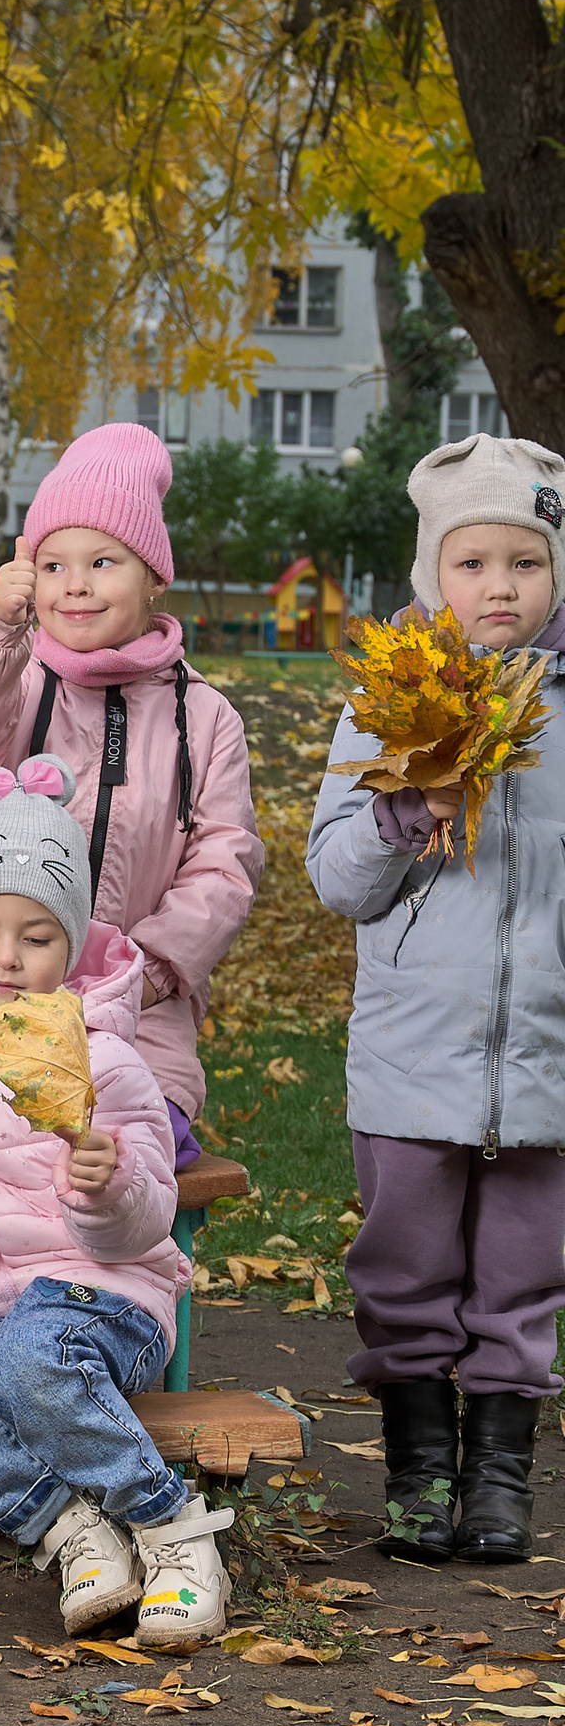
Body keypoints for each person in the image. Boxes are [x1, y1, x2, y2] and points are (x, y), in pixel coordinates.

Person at [0, 762, 231, 1648]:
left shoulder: (106, 1060)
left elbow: (146, 1219)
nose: (6, 956)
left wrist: (104, 1183)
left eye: (36, 936)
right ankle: (70, 1528)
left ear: (72, 944)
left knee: (35, 1353)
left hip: (99, 1298)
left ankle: (169, 1529)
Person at [306, 434, 565, 1566]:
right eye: (473, 562)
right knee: (405, 1264)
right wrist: (400, 810)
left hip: (545, 1056)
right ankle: (419, 1468)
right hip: (416, 1048)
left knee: (521, 1271)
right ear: (430, 574)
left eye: (526, 561)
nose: (500, 585)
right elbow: (336, 882)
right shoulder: (385, 706)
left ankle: (500, 1474)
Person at [0, 421, 263, 1158]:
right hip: (0, 984)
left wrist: (156, 966)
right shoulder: (17, 685)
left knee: (134, 1142)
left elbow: (226, 858)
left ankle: (129, 1274)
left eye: (103, 562)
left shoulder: (201, 716)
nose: (74, 585)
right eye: (52, 566)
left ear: (153, 576)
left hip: (140, 1007)